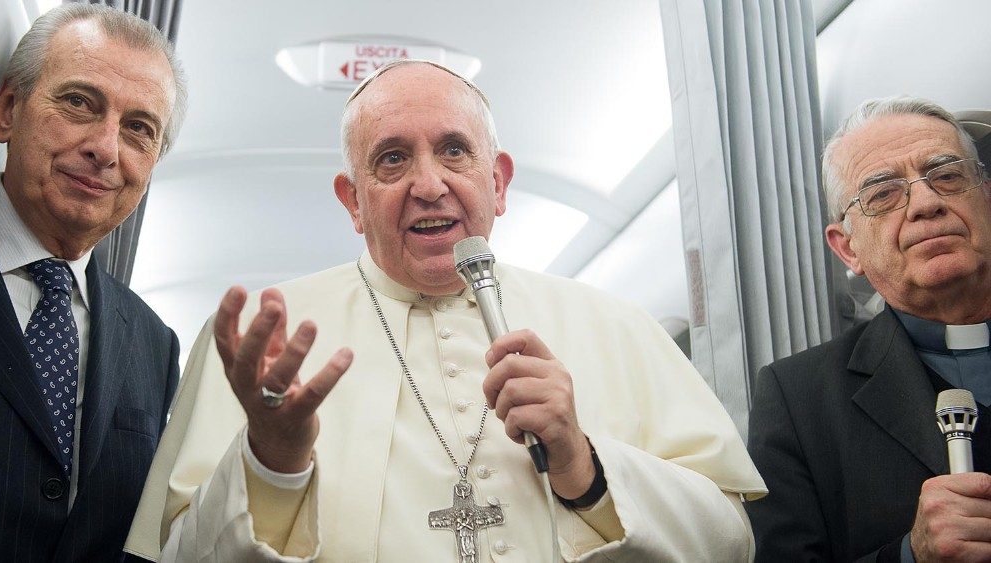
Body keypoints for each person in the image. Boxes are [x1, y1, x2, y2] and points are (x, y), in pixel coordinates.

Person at [127, 59, 766, 562]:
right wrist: (271, 461)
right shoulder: (260, 341)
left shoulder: (619, 326)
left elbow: (731, 542)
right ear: (351, 200)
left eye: (455, 150)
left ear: (499, 183)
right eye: (393, 158)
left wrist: (585, 466)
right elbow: (178, 554)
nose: (429, 184)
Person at [745, 96, 991, 562]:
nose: (925, 203)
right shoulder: (799, 399)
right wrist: (910, 555)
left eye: (946, 175)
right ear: (847, 250)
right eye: (882, 193)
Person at [0, 4, 186, 561]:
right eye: (79, 103)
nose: (106, 147)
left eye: (138, 129)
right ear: (8, 110)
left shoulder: (154, 341)